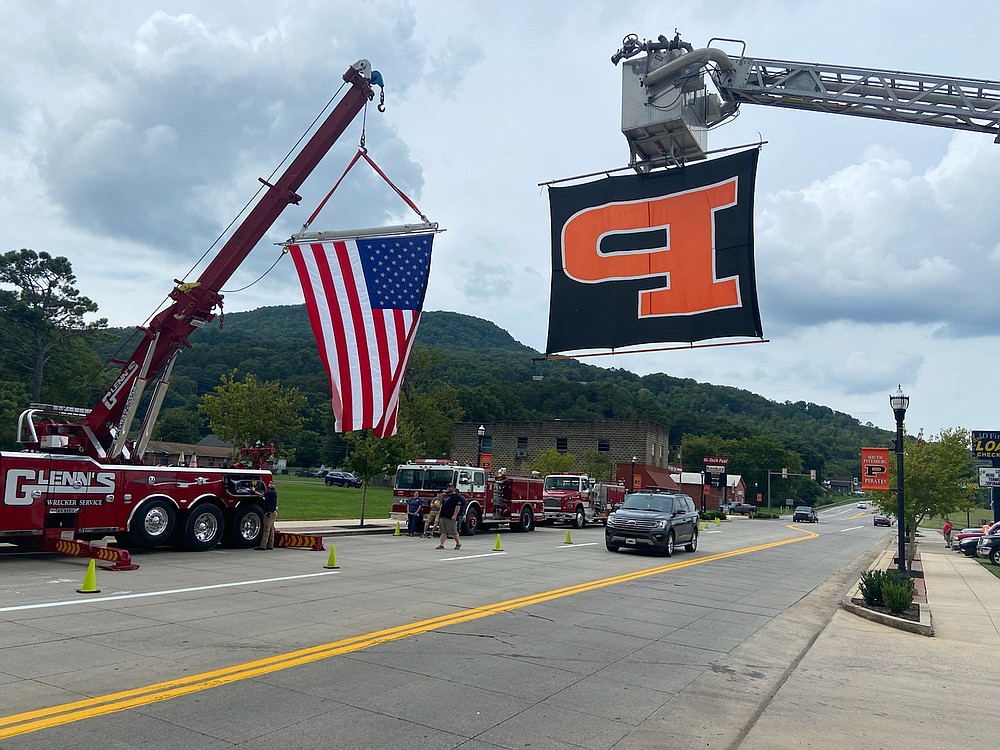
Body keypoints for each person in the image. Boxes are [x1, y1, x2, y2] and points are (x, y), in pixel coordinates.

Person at [437, 485, 464, 550]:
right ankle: (441, 545)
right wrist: (439, 515)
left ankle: (458, 543)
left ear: (454, 488)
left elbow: (458, 507)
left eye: (450, 487)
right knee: (443, 531)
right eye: (448, 487)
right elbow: (442, 505)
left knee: (453, 531)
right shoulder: (445, 496)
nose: (448, 488)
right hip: (443, 515)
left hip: (450, 516)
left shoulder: (457, 497)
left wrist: (454, 515)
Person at [256, 480, 278, 550]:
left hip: (269, 513)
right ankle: (270, 545)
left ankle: (263, 545)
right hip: (273, 512)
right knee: (271, 529)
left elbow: (262, 495)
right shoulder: (272, 492)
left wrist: (254, 491)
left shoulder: (271, 493)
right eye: (270, 483)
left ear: (275, 486)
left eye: (273, 484)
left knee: (266, 529)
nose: (271, 484)